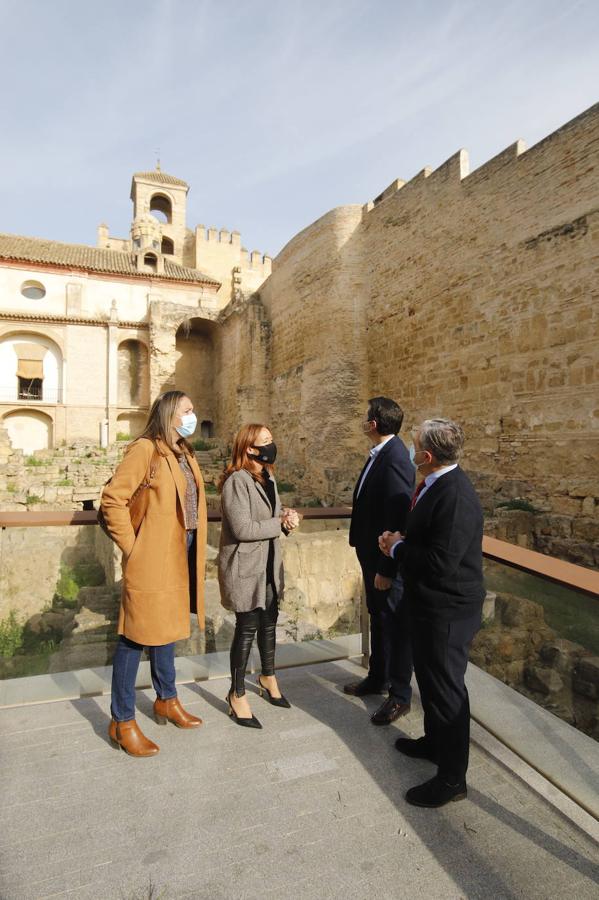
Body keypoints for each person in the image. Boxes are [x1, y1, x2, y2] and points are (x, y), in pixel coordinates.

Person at [379, 418, 485, 808]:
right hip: (429, 604)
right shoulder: (434, 484)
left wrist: (396, 549)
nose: (409, 448)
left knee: (447, 692)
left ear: (425, 456)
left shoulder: (455, 496)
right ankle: (434, 744)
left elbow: (441, 562)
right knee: (431, 681)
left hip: (448, 610)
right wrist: (403, 540)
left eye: (414, 444)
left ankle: (452, 779)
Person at [100, 391, 207, 757]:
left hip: (180, 554)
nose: (194, 415)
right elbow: (112, 500)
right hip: (152, 556)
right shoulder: (145, 449)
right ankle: (122, 720)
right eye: (188, 411)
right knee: (134, 635)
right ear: (170, 415)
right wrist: (134, 548)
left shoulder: (183, 452)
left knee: (166, 629)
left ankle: (166, 699)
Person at [218, 424, 299, 728]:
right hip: (244, 567)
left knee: (269, 622)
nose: (271, 445)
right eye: (265, 441)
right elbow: (243, 529)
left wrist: (286, 518)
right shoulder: (236, 481)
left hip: (268, 564)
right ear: (249, 448)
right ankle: (236, 694)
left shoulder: (268, 478)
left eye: (271, 439)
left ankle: (268, 677)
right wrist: (279, 524)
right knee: (247, 627)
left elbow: (269, 518)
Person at [345, 396, 414, 726]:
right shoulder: (381, 454)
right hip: (372, 555)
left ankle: (399, 695)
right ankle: (378, 677)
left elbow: (399, 516)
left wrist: (387, 568)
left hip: (384, 560)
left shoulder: (396, 458)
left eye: (365, 417)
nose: (362, 420)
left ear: (373, 424)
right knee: (380, 617)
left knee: (394, 623)